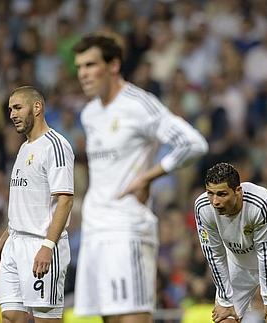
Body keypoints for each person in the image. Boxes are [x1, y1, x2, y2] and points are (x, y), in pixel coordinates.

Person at [72, 34, 208, 323]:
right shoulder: (89, 114)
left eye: (90, 65)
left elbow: (193, 143)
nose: (82, 73)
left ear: (113, 65)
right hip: (95, 229)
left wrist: (149, 176)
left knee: (133, 317)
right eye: (80, 66)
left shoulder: (139, 104)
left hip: (127, 228)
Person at [0, 86, 75, 323]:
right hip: (15, 244)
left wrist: (47, 246)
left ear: (37, 107)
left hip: (40, 244)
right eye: (9, 110)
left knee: (45, 319)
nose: (12, 114)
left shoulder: (55, 146)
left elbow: (65, 200)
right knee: (11, 316)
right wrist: (3, 241)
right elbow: (25, 206)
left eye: (17, 107)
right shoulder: (24, 148)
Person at [194, 162, 267, 323]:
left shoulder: (260, 202)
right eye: (210, 193)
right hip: (238, 265)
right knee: (225, 320)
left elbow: (265, 253)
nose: (215, 201)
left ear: (238, 191)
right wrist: (224, 299)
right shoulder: (203, 207)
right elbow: (214, 255)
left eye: (222, 194)